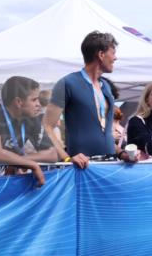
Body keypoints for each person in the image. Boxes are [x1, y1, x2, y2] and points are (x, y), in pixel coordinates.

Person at [0, 76, 58, 187]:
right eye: (34, 99)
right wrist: (31, 164)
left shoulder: (31, 119)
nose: (39, 104)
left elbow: (52, 154)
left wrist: (20, 160)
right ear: (18, 102)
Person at [44, 31, 119, 168]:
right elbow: (47, 126)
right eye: (113, 53)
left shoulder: (106, 86)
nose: (115, 58)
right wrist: (66, 158)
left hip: (110, 165)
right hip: (82, 167)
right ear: (101, 55)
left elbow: (104, 131)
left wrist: (122, 153)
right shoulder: (67, 83)